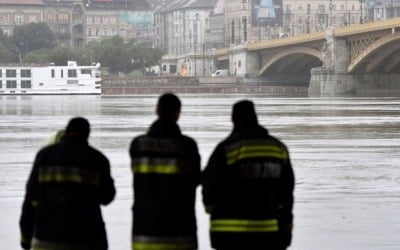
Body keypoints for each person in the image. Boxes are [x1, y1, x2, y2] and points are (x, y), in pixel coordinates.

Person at [202, 100, 295, 250]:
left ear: (233, 119)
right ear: (255, 117)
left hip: (229, 232)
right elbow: (287, 191)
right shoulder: (278, 149)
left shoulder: (226, 149)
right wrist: (286, 227)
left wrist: (212, 208)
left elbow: (209, 184)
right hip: (267, 229)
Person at [19, 117, 116, 250]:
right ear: (87, 134)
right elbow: (107, 197)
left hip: (46, 238)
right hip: (86, 239)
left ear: (66, 131)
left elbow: (31, 195)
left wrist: (26, 238)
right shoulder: (98, 159)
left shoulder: (44, 155)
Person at [129, 93, 201, 250]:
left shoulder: (138, 145)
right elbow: (195, 180)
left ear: (157, 110)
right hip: (181, 231)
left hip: (145, 231)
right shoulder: (188, 146)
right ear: (178, 113)